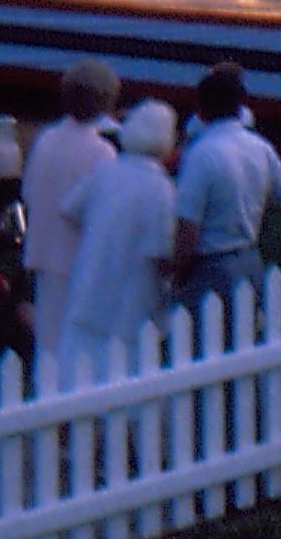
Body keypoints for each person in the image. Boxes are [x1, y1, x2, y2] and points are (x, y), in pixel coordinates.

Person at [168, 63, 281, 323]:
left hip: (209, 266)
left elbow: (188, 227)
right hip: (250, 260)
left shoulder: (199, 156)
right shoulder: (261, 148)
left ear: (200, 111)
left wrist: (177, 275)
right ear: (240, 107)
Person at [56, 100, 181, 381]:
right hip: (131, 300)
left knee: (76, 372)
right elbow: (162, 253)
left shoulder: (105, 171)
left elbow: (70, 210)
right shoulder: (162, 189)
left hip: (89, 284)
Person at [20, 60, 120, 359]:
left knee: (49, 343)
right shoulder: (103, 152)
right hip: (80, 259)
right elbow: (106, 213)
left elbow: (27, 192)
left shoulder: (46, 139)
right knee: (79, 348)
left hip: (44, 250)